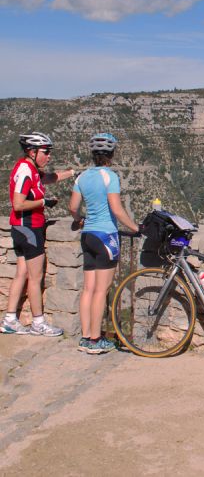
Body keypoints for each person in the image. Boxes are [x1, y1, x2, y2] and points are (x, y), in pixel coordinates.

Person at [69, 133, 140, 354]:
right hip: (106, 237)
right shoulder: (110, 177)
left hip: (88, 235)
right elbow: (117, 210)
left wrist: (79, 219)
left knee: (88, 289)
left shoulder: (82, 177)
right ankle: (96, 338)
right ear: (111, 154)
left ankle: (84, 337)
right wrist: (136, 228)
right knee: (102, 290)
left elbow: (72, 207)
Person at [2, 132, 74, 336]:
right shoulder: (26, 171)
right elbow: (18, 203)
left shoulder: (29, 168)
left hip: (20, 227)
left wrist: (72, 173)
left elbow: (49, 178)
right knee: (35, 277)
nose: (49, 156)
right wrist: (44, 202)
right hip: (29, 228)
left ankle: (9, 319)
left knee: (22, 274)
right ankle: (38, 323)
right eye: (46, 152)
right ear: (32, 152)